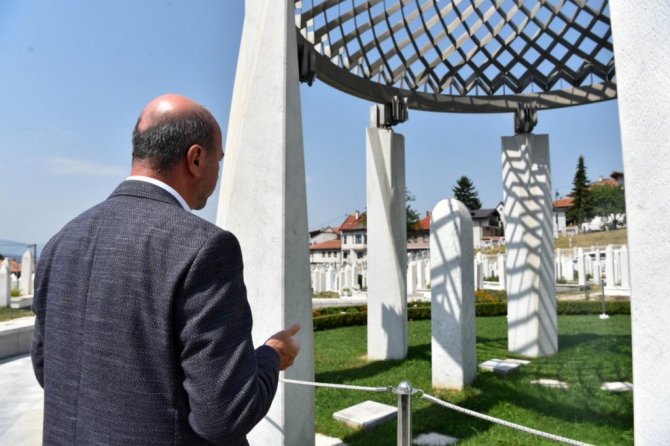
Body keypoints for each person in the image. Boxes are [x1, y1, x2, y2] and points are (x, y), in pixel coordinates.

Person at [31, 93, 301, 445]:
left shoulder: (60, 241)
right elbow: (224, 415)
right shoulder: (205, 248)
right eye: (219, 159)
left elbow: (46, 367)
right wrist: (270, 355)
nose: (218, 171)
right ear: (196, 158)